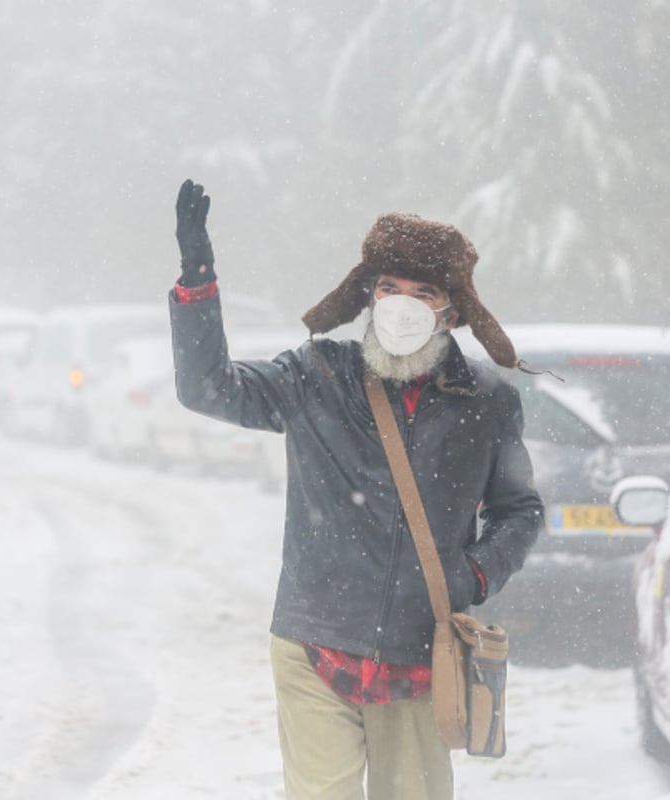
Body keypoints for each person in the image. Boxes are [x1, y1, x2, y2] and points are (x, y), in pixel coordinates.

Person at [168, 179, 544, 800]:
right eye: (389, 288)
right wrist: (198, 280)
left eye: (422, 293)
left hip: (424, 653)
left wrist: (473, 575)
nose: (402, 304)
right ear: (368, 298)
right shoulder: (318, 373)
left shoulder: (485, 401)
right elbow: (207, 388)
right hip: (315, 643)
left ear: (450, 313)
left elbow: (519, 509)